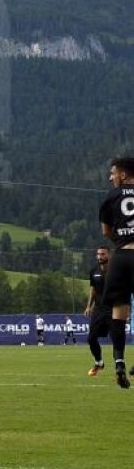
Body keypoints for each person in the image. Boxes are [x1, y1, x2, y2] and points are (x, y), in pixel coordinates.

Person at [99, 156, 134, 388]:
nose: (111, 178)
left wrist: (120, 240)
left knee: (118, 311)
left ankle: (119, 361)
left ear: (123, 175)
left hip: (121, 257)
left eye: (113, 173)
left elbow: (105, 232)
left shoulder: (111, 196)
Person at [86, 245, 113, 376]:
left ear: (109, 255)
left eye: (103, 254)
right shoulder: (93, 271)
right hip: (98, 310)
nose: (100, 257)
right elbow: (93, 289)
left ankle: (120, 368)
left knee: (117, 339)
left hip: (113, 309)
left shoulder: (116, 270)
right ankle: (99, 362)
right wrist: (88, 306)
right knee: (91, 338)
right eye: (98, 254)